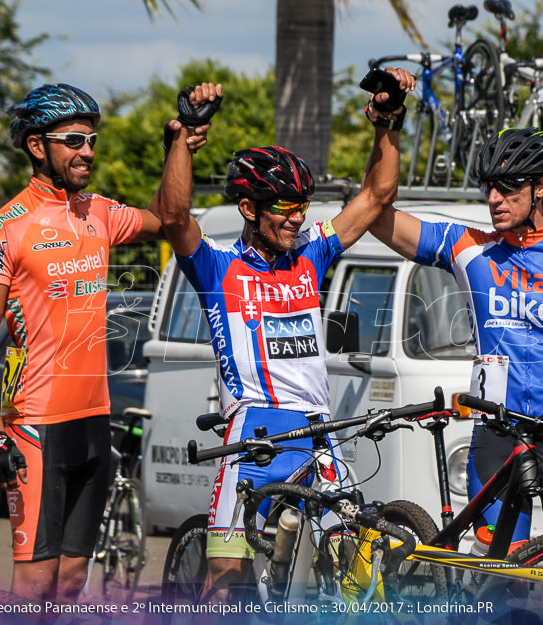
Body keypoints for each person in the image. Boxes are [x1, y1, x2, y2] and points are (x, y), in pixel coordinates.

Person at [155, 71, 414, 601]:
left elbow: (377, 193)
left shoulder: (311, 254)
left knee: (358, 572)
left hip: (320, 428)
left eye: (303, 206)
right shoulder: (217, 267)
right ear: (249, 209)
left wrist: (387, 122)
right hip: (254, 428)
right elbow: (175, 214)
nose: (297, 218)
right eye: (285, 207)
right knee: (228, 577)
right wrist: (183, 135)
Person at [0, 82, 211, 601]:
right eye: (74, 140)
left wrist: (181, 142)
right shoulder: (3, 229)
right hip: (35, 426)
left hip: (93, 420)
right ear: (38, 147)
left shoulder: (96, 211)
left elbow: (169, 218)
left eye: (92, 140)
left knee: (73, 579)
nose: (88, 152)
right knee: (34, 583)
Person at [369, 127, 543, 541]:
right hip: (498, 434)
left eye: (509, 187)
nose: (494, 198)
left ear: (542, 186)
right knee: (507, 581)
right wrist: (387, 125)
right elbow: (374, 212)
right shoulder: (467, 246)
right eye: (488, 187)